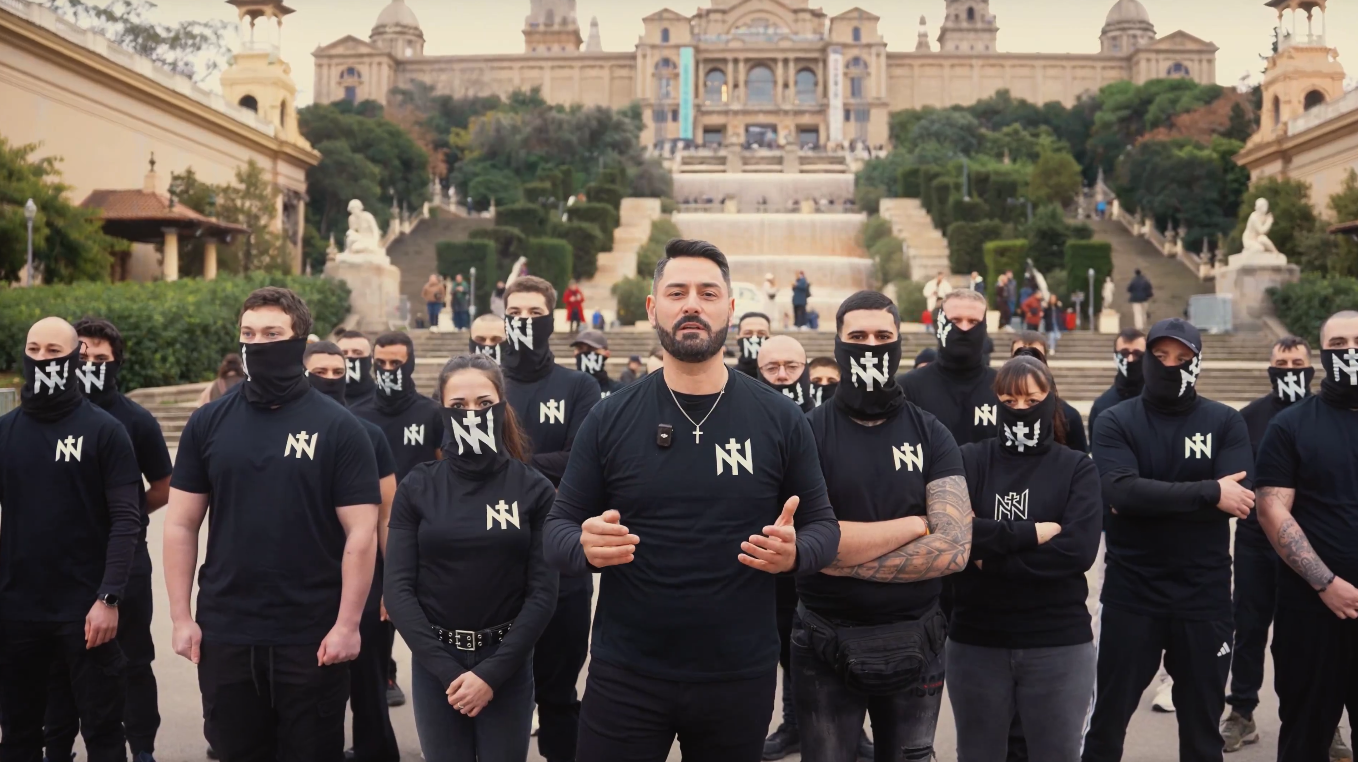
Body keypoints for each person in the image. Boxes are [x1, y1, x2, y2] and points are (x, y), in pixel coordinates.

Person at [544, 238, 841, 762]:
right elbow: (558, 528)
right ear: (653, 308)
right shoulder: (610, 417)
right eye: (677, 292)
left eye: (708, 292)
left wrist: (798, 553)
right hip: (626, 672)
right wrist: (582, 546)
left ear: (730, 307)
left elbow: (824, 529)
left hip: (737, 674)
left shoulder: (780, 418)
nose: (692, 304)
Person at [163, 287, 381, 762]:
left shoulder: (340, 427)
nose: (258, 343)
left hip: (312, 635)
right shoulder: (208, 422)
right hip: (227, 632)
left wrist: (348, 624)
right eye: (248, 334)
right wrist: (181, 618)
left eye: (272, 334)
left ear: (299, 339)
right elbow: (180, 524)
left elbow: (361, 534)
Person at [795, 290, 971, 762]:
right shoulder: (805, 433)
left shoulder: (931, 432)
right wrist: (915, 525)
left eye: (882, 336)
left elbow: (954, 547)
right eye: (857, 336)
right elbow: (798, 538)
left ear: (898, 345)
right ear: (836, 344)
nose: (870, 346)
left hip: (918, 635)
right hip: (823, 636)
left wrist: (835, 556)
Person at [1083, 318, 1254, 762]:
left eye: (1181, 359)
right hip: (1131, 594)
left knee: (1202, 732)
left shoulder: (1226, 421)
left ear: (1197, 364)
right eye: (1158, 357)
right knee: (1105, 726)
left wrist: (1150, 496)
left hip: (1205, 595)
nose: (1169, 366)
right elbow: (1119, 491)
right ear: (1143, 359)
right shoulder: (1115, 419)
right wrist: (1209, 491)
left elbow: (1241, 497)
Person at [385, 354, 560, 762]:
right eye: (458, 406)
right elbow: (397, 588)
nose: (472, 414)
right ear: (443, 411)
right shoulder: (418, 486)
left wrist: (490, 674)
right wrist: (451, 673)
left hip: (507, 663)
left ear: (501, 407)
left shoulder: (533, 488)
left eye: (483, 403)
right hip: (436, 665)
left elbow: (542, 593)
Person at [0, 317, 143, 762]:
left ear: (76, 358)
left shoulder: (105, 431)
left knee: (102, 731)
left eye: (53, 351)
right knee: (20, 732)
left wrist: (109, 597)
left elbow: (126, 519)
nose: (42, 359)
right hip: (18, 613)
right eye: (34, 349)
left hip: (86, 613)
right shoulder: (5, 431)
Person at [948, 355, 1101, 762]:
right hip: (977, 641)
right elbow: (953, 534)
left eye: (1031, 400)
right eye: (1008, 401)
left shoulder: (1076, 468)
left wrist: (988, 558)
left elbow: (1077, 550)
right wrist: (1033, 533)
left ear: (1051, 400)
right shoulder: (969, 459)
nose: (1020, 410)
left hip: (1057, 643)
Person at [42, 319, 174, 762]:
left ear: (116, 363)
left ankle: (142, 749)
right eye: (82, 358)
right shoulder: (50, 416)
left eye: (101, 359)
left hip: (126, 564)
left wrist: (125, 518)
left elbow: (164, 484)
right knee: (60, 661)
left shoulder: (136, 421)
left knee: (134, 661)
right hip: (63, 567)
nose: (90, 366)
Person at [1222, 335, 1348, 757]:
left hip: (1314, 545)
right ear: (1270, 366)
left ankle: (1327, 724)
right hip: (1259, 544)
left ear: (1313, 367)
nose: (1290, 368)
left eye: (1298, 361)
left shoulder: (1323, 416)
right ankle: (1242, 711)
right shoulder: (1252, 418)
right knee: (1251, 627)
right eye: (1282, 361)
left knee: (1317, 642)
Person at [499, 275, 601, 762]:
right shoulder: (485, 383)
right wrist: (543, 468)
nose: (523, 321)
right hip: (493, 558)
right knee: (495, 693)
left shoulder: (578, 385)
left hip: (561, 556)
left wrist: (507, 466)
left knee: (558, 693)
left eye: (533, 313)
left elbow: (582, 460)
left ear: (551, 318)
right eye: (514, 313)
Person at [1256, 310, 1358, 762]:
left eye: (1357, 342)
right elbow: (1271, 507)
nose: (1349, 352)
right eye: (1337, 345)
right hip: (1311, 612)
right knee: (1305, 737)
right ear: (1322, 353)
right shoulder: (1291, 424)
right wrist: (1326, 583)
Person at [303, 341, 402, 762]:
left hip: (364, 580)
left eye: (336, 372)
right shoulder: (287, 430)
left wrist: (393, 586)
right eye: (319, 372)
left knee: (368, 683)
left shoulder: (368, 434)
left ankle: (375, 752)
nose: (329, 380)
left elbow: (386, 514)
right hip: (306, 582)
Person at [899, 289, 1000, 446]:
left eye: (973, 321)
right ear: (940, 325)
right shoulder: (908, 389)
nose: (964, 329)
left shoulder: (1005, 388)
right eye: (955, 321)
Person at [1009, 332, 1088, 453]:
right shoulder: (993, 410)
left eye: (1035, 357)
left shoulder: (1068, 416)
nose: (1026, 365)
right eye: (1019, 356)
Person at [1087, 329, 1146, 437]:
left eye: (1137, 354)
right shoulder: (1102, 406)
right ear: (1115, 356)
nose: (1130, 359)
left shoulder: (1160, 402)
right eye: (1124, 353)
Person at [758, 335, 813, 413]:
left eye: (792, 367)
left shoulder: (824, 420)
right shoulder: (741, 419)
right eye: (771, 368)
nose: (782, 375)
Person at [338, 331, 379, 411]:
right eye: (344, 353)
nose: (350, 356)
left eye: (357, 353)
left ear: (371, 359)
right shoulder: (323, 399)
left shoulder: (385, 400)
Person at [572, 329, 617, 398]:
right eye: (580, 348)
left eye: (592, 349)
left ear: (607, 354)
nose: (585, 354)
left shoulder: (619, 392)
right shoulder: (566, 390)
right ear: (575, 353)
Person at [734, 312, 773, 378]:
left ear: (770, 338)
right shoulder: (728, 379)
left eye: (761, 333)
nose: (754, 338)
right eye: (748, 333)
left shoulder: (780, 378)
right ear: (738, 338)